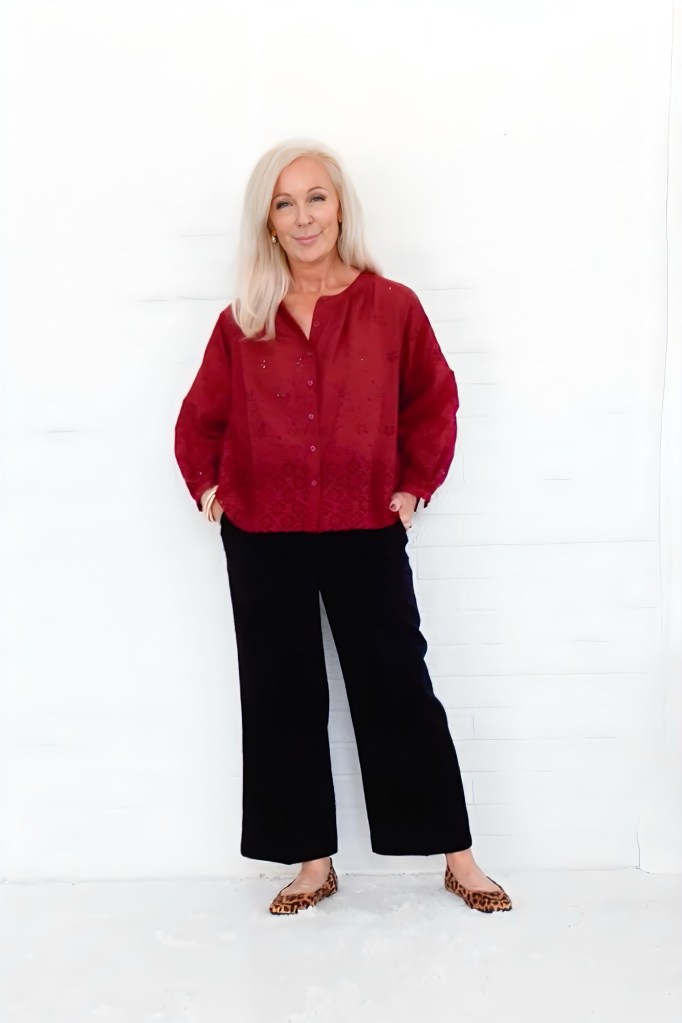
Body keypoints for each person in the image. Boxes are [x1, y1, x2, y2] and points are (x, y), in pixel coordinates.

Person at [174, 139, 512, 916]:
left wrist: (414, 485)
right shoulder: (243, 319)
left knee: (398, 684)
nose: (303, 216)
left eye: (316, 198)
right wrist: (211, 488)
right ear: (267, 220)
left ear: (340, 206)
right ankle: (312, 862)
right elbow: (201, 416)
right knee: (280, 695)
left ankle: (457, 854)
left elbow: (435, 396)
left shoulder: (391, 306)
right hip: (265, 531)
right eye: (285, 203)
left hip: (363, 520)